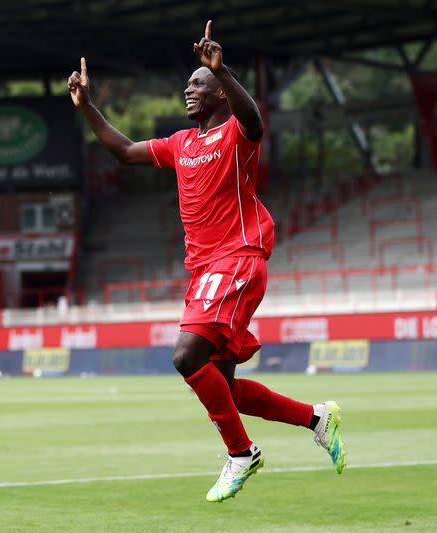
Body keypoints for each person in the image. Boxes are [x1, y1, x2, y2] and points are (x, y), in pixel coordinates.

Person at [68, 20, 345, 503]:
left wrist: (224, 70)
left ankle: (242, 454)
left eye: (198, 84)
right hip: (205, 271)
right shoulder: (181, 144)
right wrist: (88, 107)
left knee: (185, 356)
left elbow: (255, 119)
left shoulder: (237, 134)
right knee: (225, 389)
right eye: (189, 83)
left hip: (236, 260)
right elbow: (125, 151)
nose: (188, 89)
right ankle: (317, 418)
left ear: (219, 93)